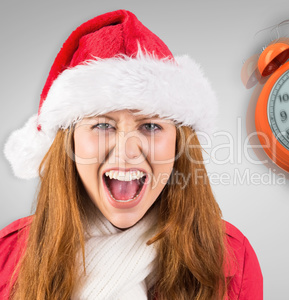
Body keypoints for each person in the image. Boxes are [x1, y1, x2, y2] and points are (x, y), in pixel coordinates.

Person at [0, 9, 263, 299]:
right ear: (70, 143)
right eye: (102, 125)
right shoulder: (7, 254)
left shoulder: (232, 257)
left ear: (179, 145)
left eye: (150, 125)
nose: (127, 151)